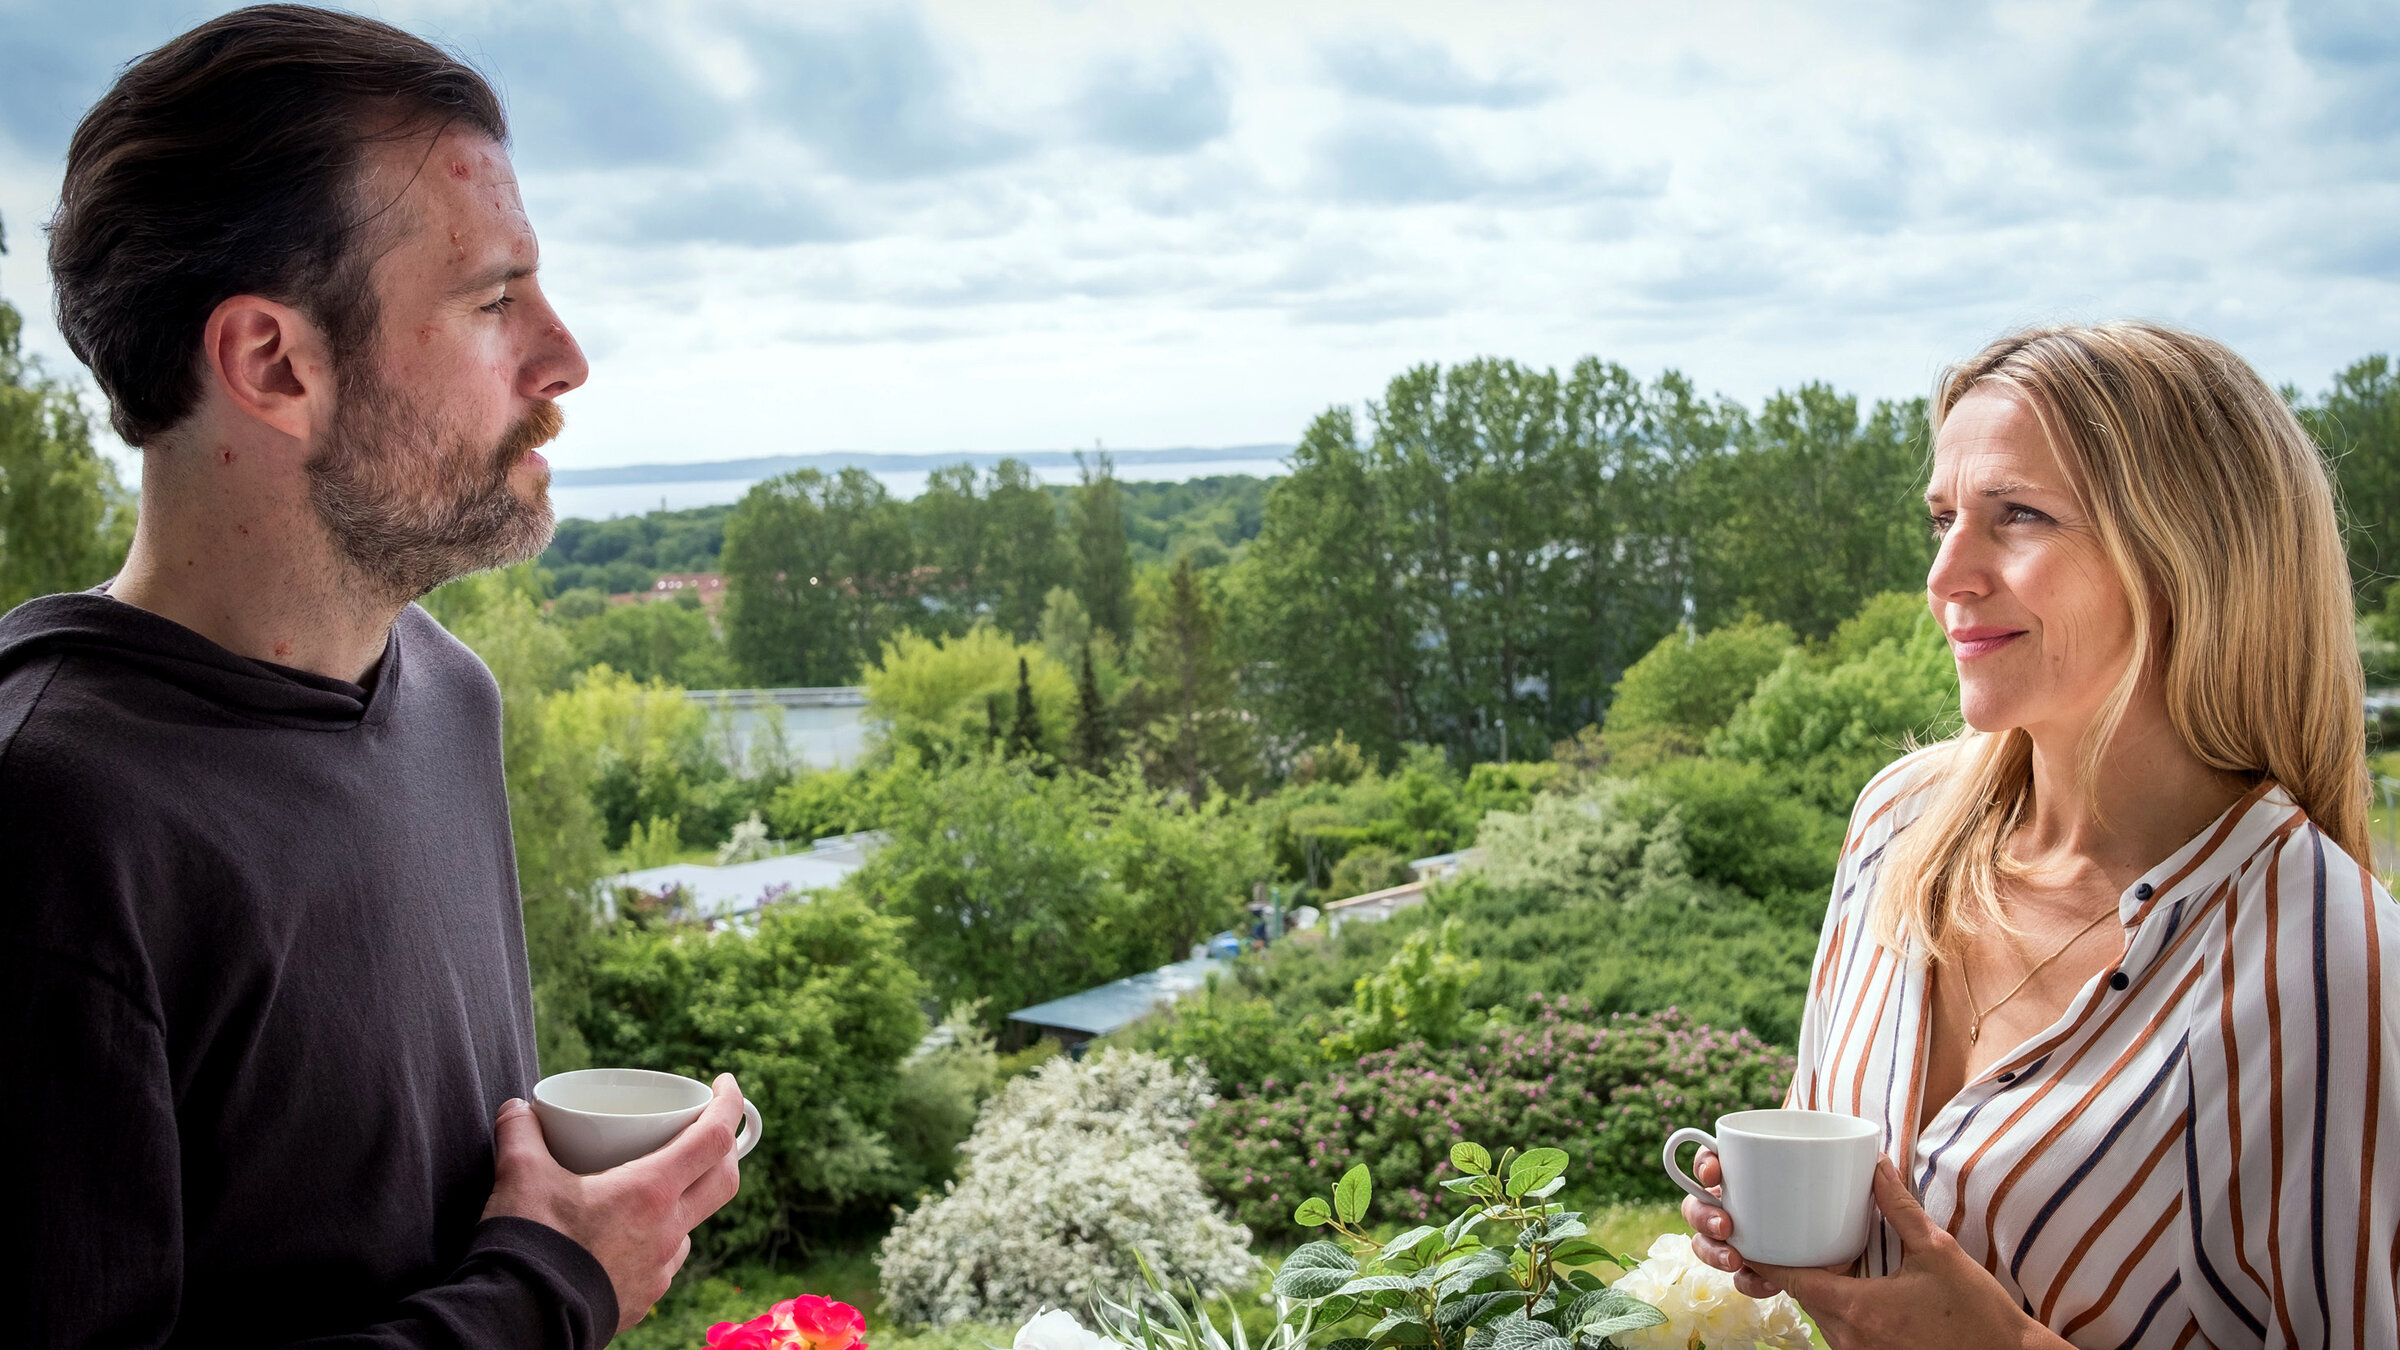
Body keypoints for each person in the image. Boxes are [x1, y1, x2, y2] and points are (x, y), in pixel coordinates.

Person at [0, 7, 746, 1346]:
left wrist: (573, 1218)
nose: (565, 356)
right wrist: (549, 1290)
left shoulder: (445, 696)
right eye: (491, 299)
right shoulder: (50, 823)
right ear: (274, 363)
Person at [1679, 321, 2400, 1347]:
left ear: (2190, 556)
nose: (1946, 576)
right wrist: (1772, 1222)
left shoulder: (2323, 960)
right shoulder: (1895, 822)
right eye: (1941, 519)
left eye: (2016, 516)